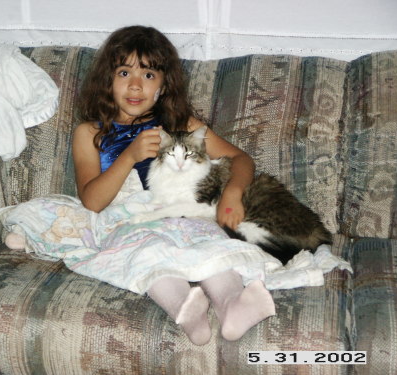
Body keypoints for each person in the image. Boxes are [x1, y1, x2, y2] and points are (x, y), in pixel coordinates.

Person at [66, 25, 275, 345]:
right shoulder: (90, 133)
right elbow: (92, 201)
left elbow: (241, 159)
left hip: (184, 214)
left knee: (210, 242)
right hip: (131, 221)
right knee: (149, 252)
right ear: (107, 80)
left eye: (149, 75)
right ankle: (186, 309)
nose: (136, 85)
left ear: (163, 87)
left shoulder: (182, 125)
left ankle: (233, 304)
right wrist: (129, 156)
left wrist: (233, 193)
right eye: (124, 72)